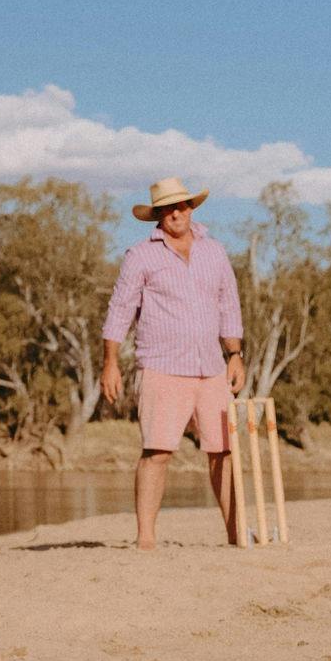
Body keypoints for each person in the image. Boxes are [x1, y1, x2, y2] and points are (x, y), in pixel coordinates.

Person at [99, 176, 247, 549]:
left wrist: (235, 355)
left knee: (223, 452)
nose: (176, 213)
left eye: (181, 205)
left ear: (191, 208)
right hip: (161, 367)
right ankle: (145, 538)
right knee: (157, 451)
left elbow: (229, 304)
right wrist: (110, 363)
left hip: (212, 368)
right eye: (167, 208)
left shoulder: (215, 251)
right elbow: (120, 310)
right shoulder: (140, 255)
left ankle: (235, 534)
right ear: (158, 215)